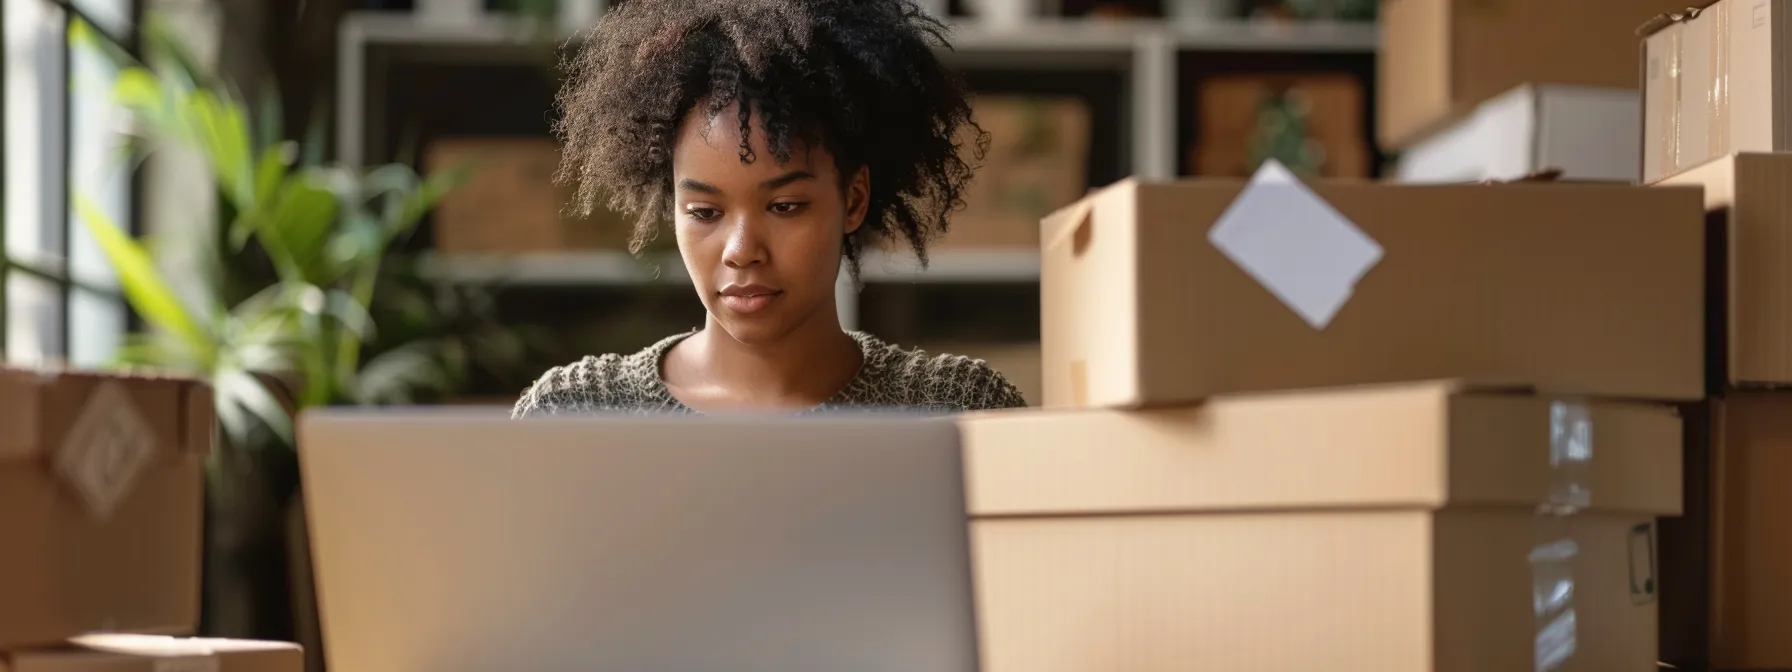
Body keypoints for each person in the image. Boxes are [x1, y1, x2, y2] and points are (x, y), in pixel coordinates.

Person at [511, 0, 1028, 417]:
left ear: (853, 199)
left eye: (784, 206)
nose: (741, 251)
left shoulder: (961, 412)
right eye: (704, 212)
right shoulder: (575, 412)